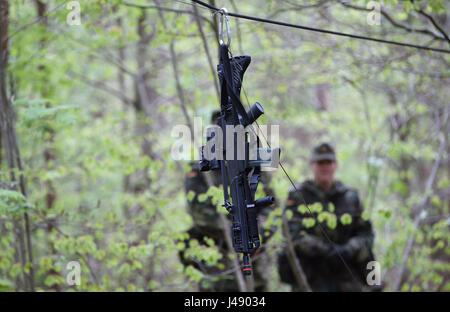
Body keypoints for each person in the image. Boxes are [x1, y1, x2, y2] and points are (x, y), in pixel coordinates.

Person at [179, 111, 275, 292]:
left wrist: (257, 233)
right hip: (216, 265)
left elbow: (271, 209)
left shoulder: (255, 163)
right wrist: (237, 231)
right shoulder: (201, 170)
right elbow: (201, 216)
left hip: (254, 266)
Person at [278, 142, 379, 292]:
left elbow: (367, 235)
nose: (325, 167)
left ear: (335, 165)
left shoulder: (351, 196)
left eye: (329, 162)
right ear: (312, 166)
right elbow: (293, 234)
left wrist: (347, 250)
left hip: (347, 278)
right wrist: (325, 250)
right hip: (310, 277)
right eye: (320, 163)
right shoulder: (298, 196)